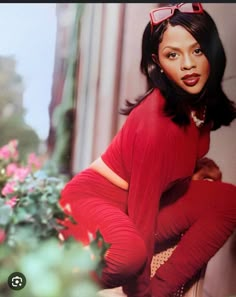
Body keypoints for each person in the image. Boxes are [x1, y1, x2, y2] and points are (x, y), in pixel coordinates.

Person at [59, 3, 236, 297]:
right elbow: (143, 214)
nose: (188, 64)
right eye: (172, 55)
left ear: (212, 51)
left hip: (133, 206)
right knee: (129, 255)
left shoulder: (198, 103)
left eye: (197, 50)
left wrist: (199, 165)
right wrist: (139, 291)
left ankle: (163, 288)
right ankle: (52, 276)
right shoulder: (156, 122)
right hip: (90, 202)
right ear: (158, 61)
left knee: (229, 200)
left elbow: (180, 151)